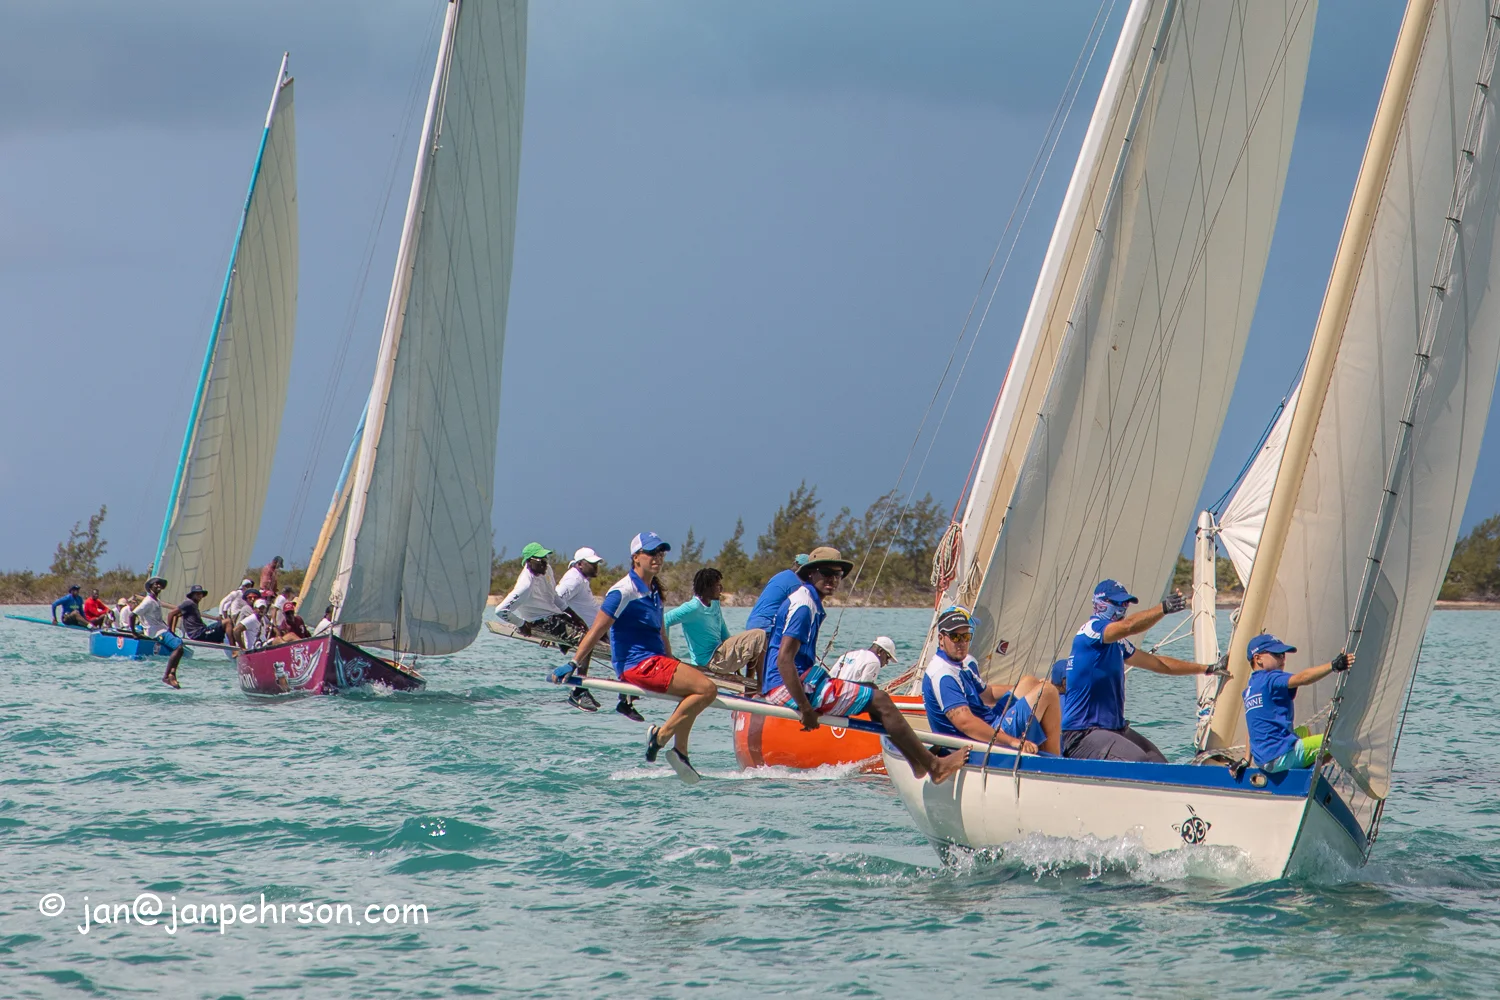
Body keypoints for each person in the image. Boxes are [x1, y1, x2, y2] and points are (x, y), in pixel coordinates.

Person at [761, 547, 965, 784]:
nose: (833, 579)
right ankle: (933, 766)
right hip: (785, 686)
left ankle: (917, 761)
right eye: (826, 572)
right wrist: (806, 710)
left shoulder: (807, 599)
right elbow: (784, 659)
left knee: (871, 688)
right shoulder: (804, 607)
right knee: (881, 702)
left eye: (838, 575)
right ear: (811, 574)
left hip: (792, 680)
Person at [554, 532, 719, 783]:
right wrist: (574, 663)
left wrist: (673, 660)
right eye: (651, 553)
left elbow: (662, 631)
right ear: (636, 558)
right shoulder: (623, 591)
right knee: (707, 689)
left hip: (657, 661)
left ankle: (681, 752)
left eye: (661, 553)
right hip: (637, 665)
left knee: (694, 690)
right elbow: (596, 630)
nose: (657, 558)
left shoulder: (653, 590)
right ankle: (661, 737)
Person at [1061, 579, 1225, 762]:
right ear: (1101, 603)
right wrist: (1164, 608)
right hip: (1083, 733)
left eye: (1126, 604)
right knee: (1141, 762)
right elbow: (1128, 626)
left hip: (1113, 730)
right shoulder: (1091, 631)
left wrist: (1208, 668)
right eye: (1118, 603)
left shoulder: (1118, 644)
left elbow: (1158, 664)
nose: (1123, 608)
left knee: (1161, 764)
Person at [921, 607, 1060, 754]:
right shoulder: (943, 675)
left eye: (966, 636)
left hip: (991, 724)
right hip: (978, 743)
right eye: (955, 637)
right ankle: (1055, 762)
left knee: (1030, 682)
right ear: (941, 639)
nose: (961, 642)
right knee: (1047, 692)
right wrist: (1012, 741)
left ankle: (1042, 748)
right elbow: (965, 723)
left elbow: (989, 694)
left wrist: (1034, 688)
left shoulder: (958, 665)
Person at [1243, 633, 1354, 772]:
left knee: (1304, 731)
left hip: (1263, 760)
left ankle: (1303, 763)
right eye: (1277, 654)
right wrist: (1333, 666)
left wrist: (1246, 759)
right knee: (1338, 739)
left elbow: (1251, 725)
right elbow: (1302, 678)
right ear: (1258, 658)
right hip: (1280, 757)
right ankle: (1310, 775)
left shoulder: (1250, 688)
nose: (1282, 658)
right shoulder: (1271, 678)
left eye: (1283, 654)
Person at [496, 543, 588, 643]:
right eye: (541, 560)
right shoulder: (525, 586)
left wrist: (574, 617)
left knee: (589, 632)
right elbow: (501, 611)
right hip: (538, 622)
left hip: (555, 616)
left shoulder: (547, 569)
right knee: (586, 641)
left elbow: (554, 596)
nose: (545, 563)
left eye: (545, 558)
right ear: (529, 561)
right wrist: (521, 624)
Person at [664, 568, 732, 669]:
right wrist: (667, 654)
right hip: (706, 661)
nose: (721, 588)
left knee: (755, 642)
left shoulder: (715, 603)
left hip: (719, 654)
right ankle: (759, 684)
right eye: (717, 585)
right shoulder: (693, 607)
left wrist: (731, 648)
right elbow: (665, 620)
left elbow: (722, 628)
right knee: (758, 636)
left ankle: (751, 681)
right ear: (707, 588)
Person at [134, 577, 187, 688]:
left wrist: (169, 629)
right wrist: (134, 632)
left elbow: (158, 619)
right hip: (156, 632)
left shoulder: (156, 601)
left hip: (161, 629)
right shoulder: (148, 601)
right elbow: (132, 615)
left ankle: (172, 674)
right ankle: (166, 676)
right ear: (150, 587)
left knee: (180, 645)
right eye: (155, 584)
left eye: (159, 584)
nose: (158, 586)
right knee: (178, 647)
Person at [829, 635, 899, 684]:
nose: (887, 662)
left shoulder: (848, 655)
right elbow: (865, 691)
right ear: (880, 651)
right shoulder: (874, 662)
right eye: (888, 657)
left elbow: (830, 677)